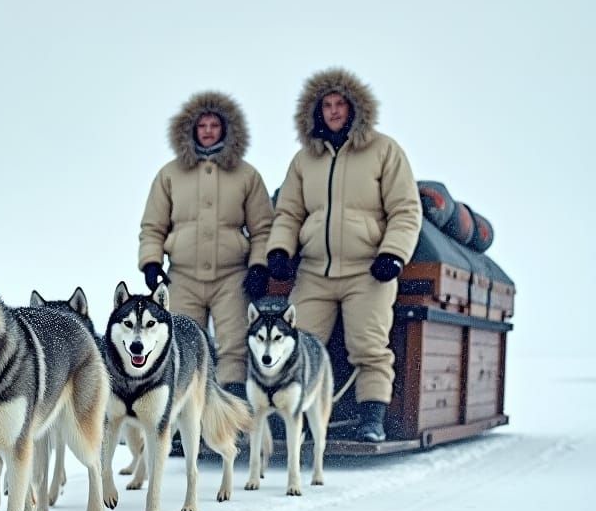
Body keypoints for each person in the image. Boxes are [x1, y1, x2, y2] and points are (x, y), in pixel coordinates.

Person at [265, 67, 422, 442]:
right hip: (315, 271)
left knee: (368, 347)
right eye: (327, 105)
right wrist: (280, 250)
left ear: (355, 108)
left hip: (368, 272)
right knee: (294, 345)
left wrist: (393, 254)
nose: (334, 111)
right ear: (316, 112)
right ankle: (292, 419)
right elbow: (289, 212)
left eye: (340, 104)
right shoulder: (305, 160)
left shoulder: (384, 150)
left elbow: (406, 209)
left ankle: (371, 420)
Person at [138, 90, 274, 396]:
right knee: (180, 347)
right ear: (191, 130)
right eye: (203, 126)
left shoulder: (247, 175)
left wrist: (258, 266)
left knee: (234, 348)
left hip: (231, 277)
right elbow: (153, 225)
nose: (209, 131)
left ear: (226, 129)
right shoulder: (170, 175)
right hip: (183, 276)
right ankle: (177, 424)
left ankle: (231, 420)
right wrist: (151, 262)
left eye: (215, 125)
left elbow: (264, 228)